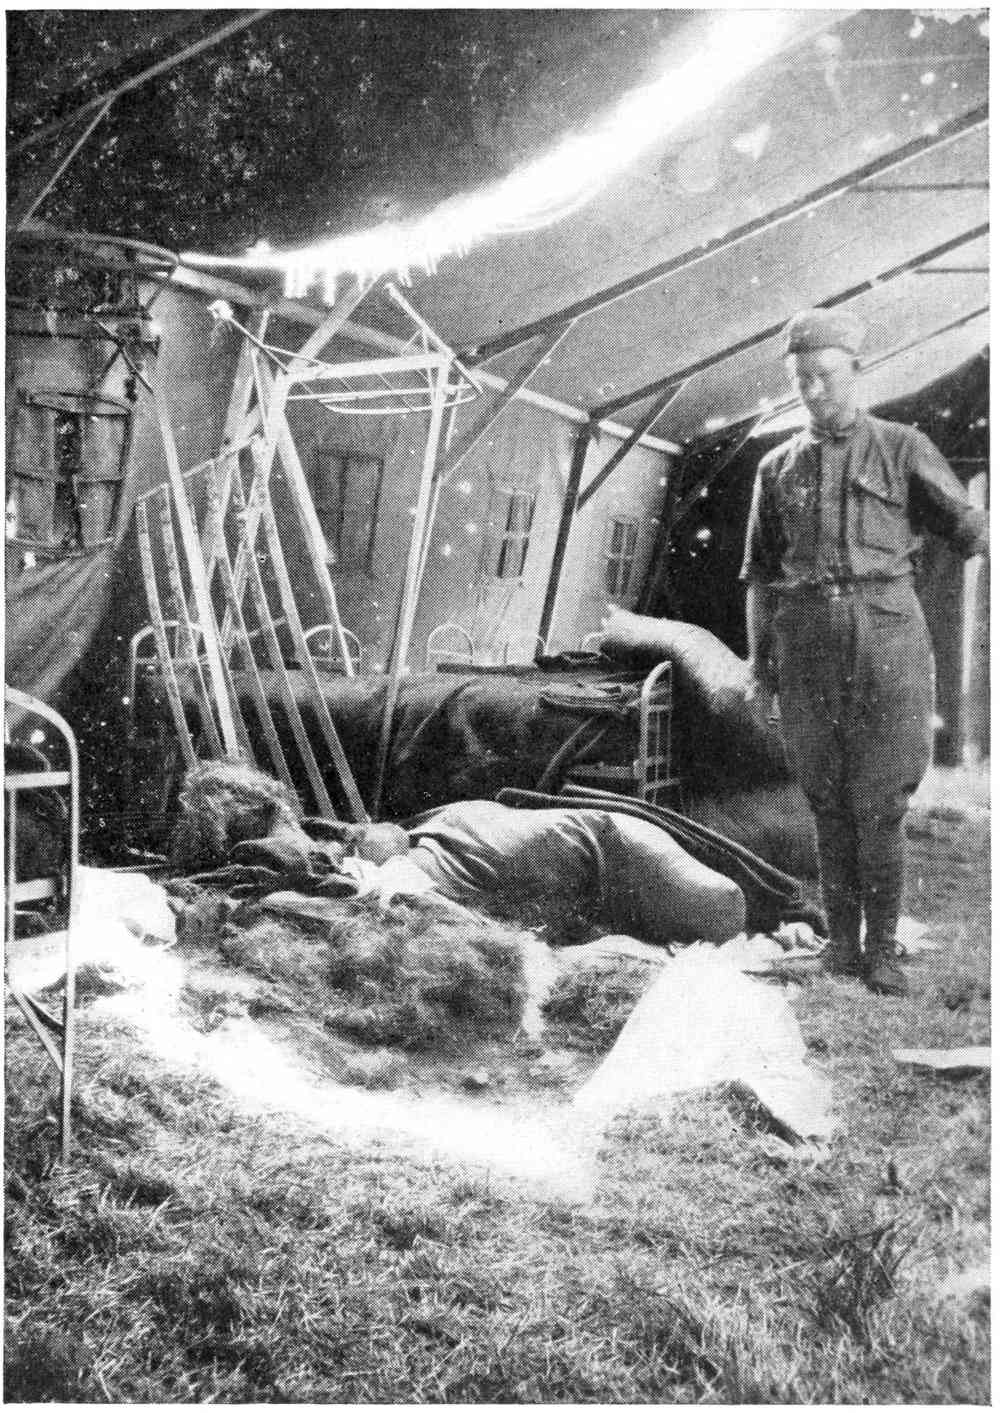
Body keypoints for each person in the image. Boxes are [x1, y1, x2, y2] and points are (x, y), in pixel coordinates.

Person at [740, 308, 988, 996]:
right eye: (800, 381)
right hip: (806, 639)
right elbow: (760, 576)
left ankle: (882, 948)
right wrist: (759, 666)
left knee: (880, 799)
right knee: (825, 797)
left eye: (824, 376)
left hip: (887, 636)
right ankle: (840, 947)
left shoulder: (904, 447)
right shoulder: (775, 467)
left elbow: (973, 531)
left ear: (857, 370)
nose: (813, 391)